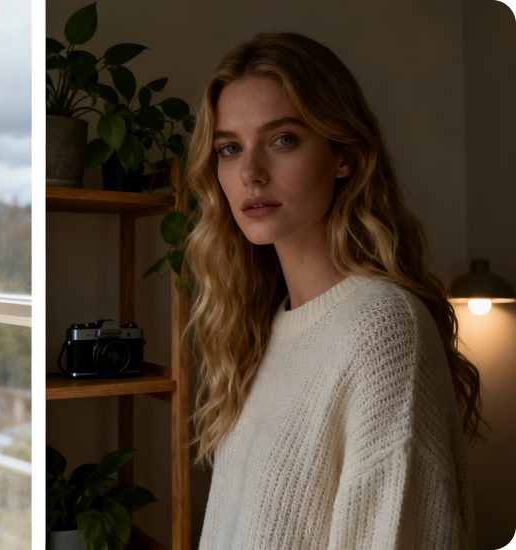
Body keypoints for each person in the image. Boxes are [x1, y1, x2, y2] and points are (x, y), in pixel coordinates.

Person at [184, 32, 481, 549]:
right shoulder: (260, 329)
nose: (250, 173)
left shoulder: (382, 329)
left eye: (282, 140)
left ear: (344, 155)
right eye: (230, 148)